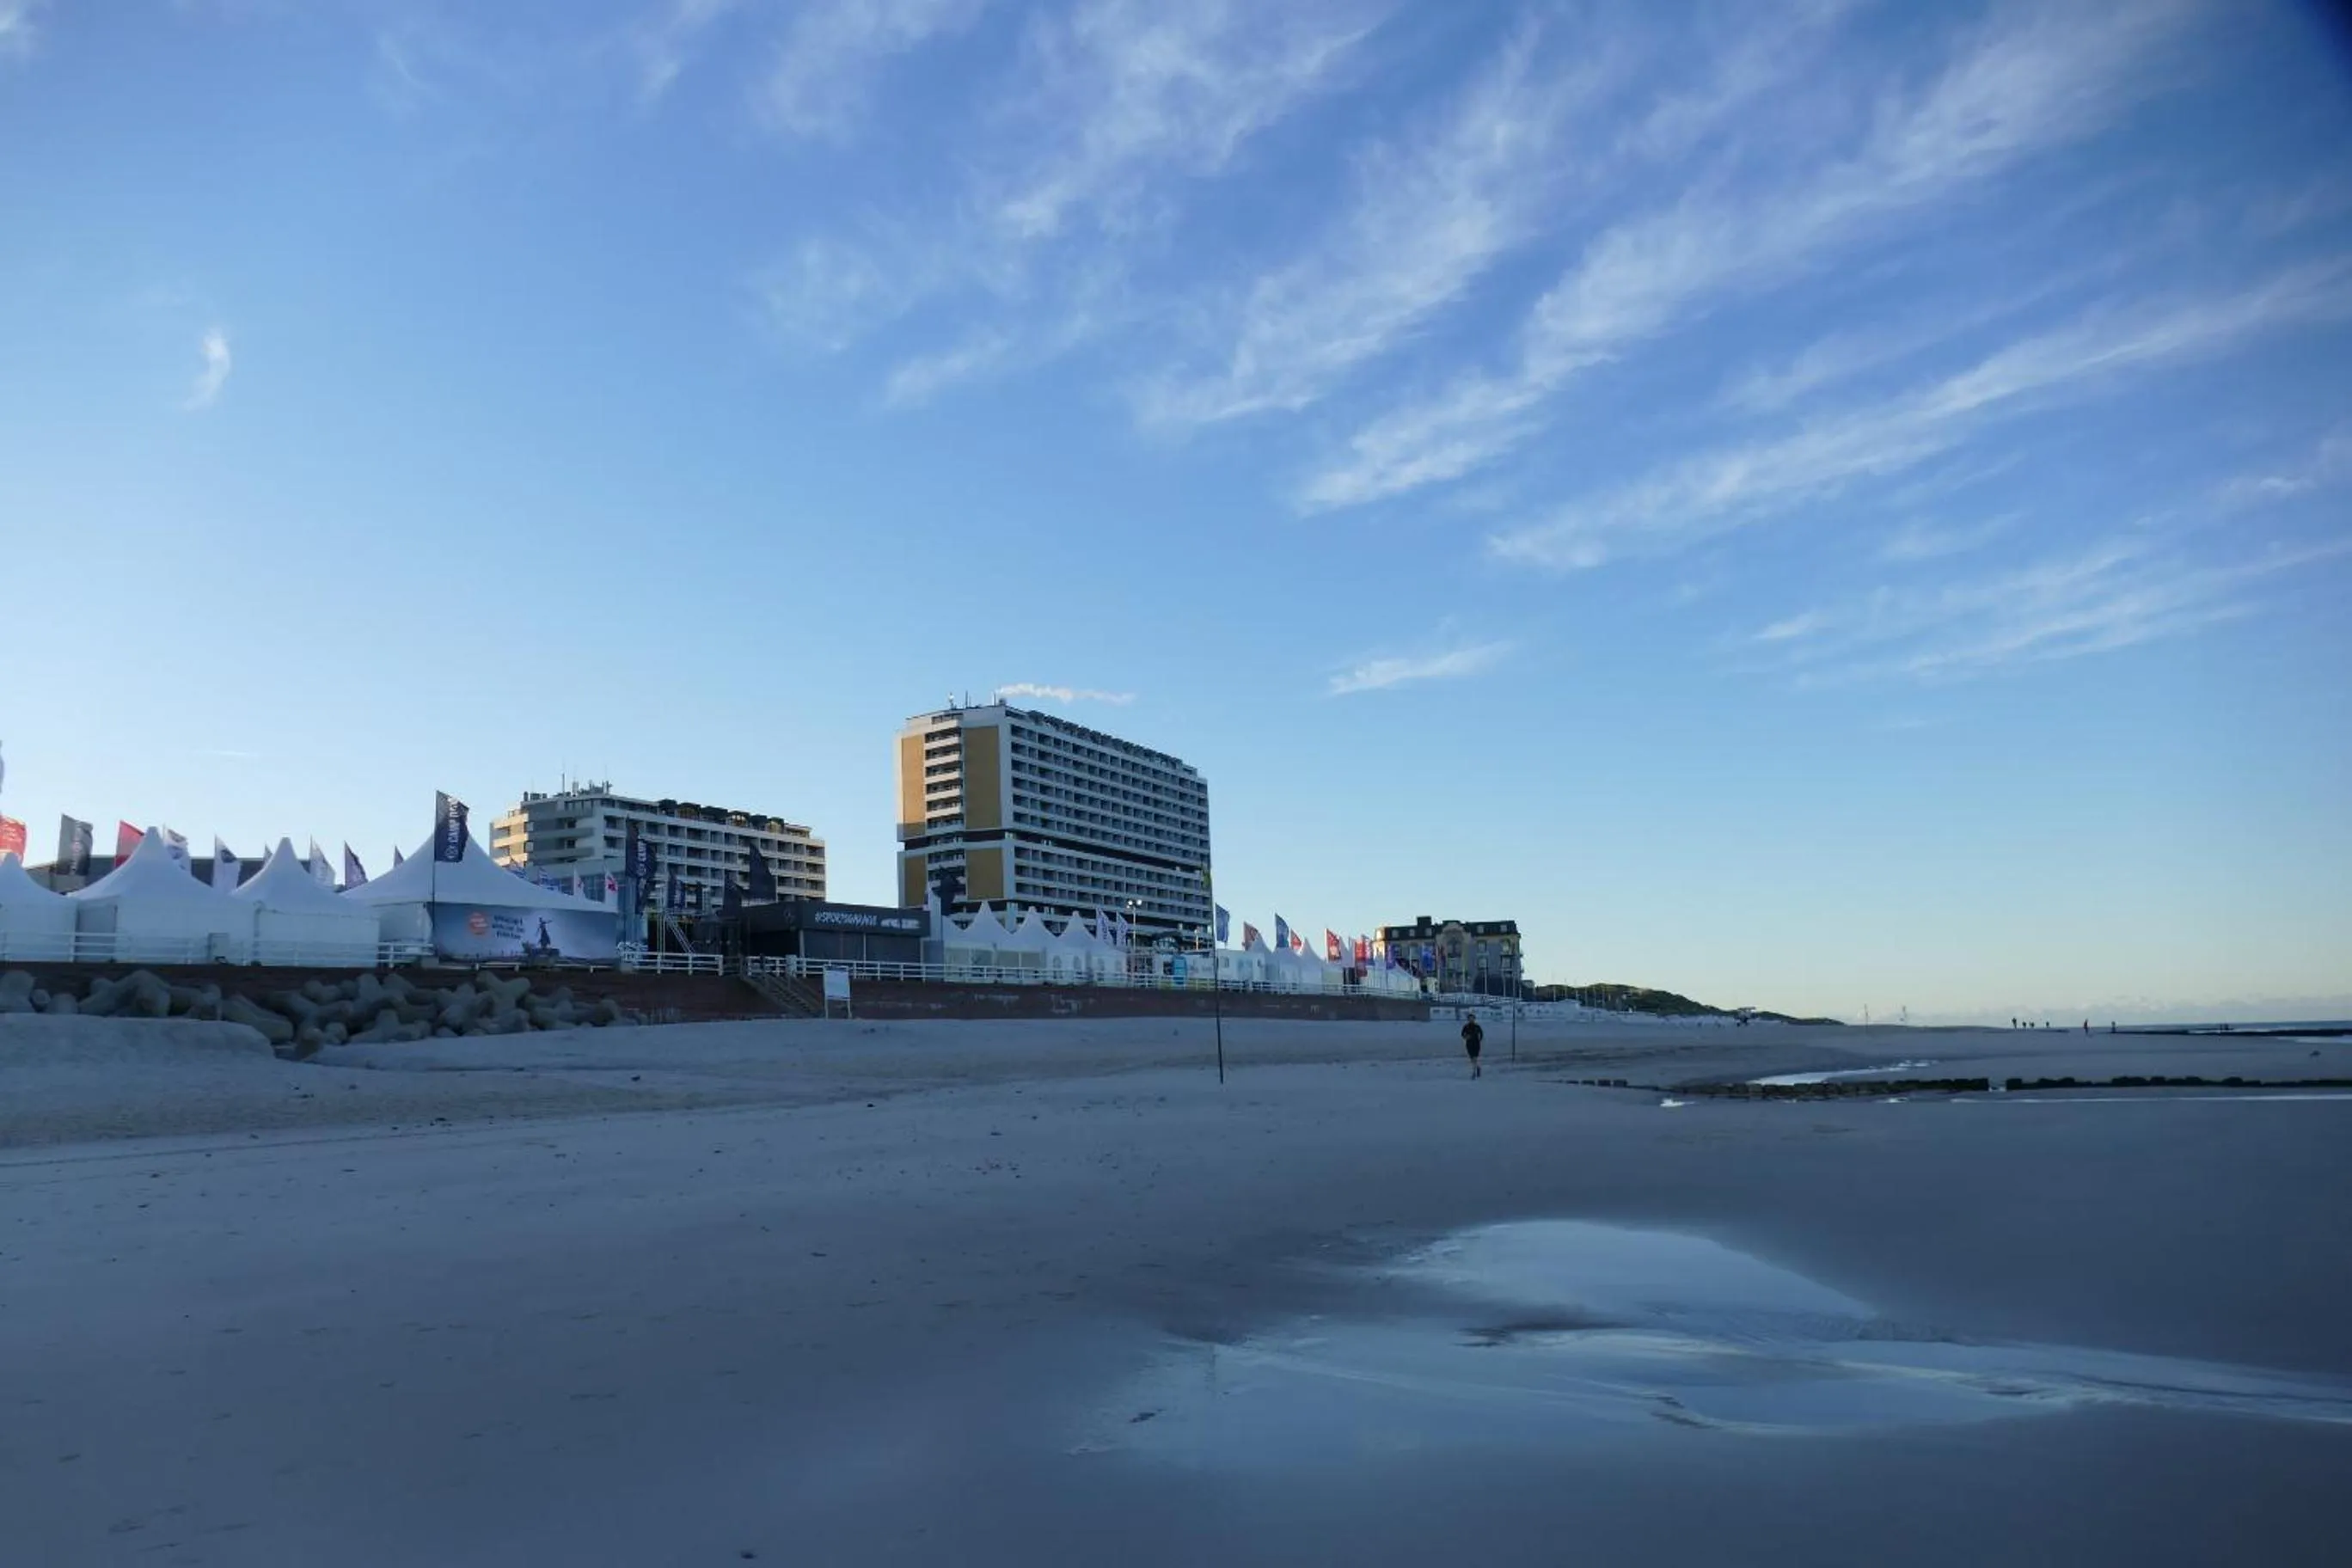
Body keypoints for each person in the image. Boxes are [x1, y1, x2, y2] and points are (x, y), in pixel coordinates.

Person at [1461, 1013, 1485, 1079]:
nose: (1471, 1020)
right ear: (1468, 1019)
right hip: (1469, 1044)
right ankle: (1477, 1068)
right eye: (1470, 1019)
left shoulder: (1477, 1026)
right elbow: (1463, 1034)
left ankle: (1474, 1072)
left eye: (1472, 1018)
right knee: (1472, 1059)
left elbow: (1481, 1034)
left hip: (1476, 1044)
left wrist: (1479, 1040)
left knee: (1475, 1058)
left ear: (1474, 1019)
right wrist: (1466, 1037)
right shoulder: (1466, 1027)